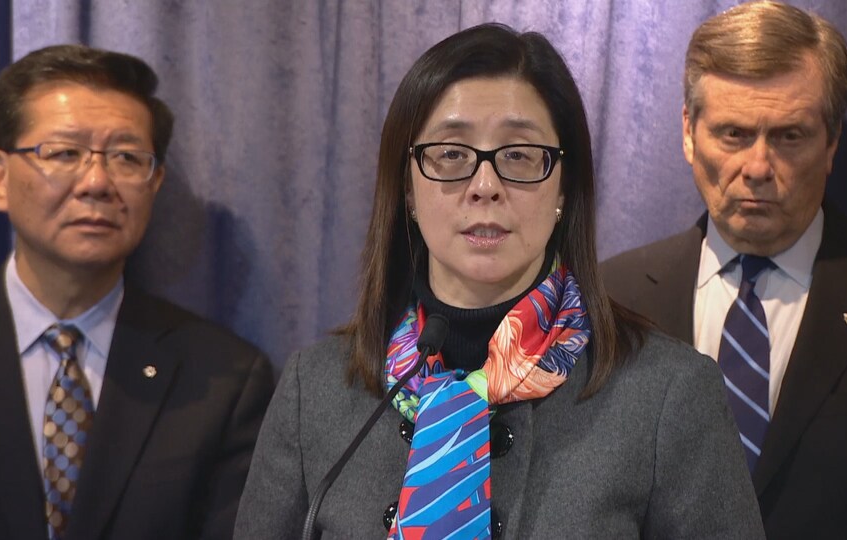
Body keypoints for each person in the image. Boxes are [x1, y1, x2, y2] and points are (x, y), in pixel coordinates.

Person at [235, 23, 763, 539]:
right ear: (408, 191)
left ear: (563, 188)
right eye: (450, 155)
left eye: (518, 155)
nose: (485, 185)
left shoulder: (667, 394)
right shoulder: (316, 388)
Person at [600, 2, 847, 538]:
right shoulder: (610, 297)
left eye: (789, 136)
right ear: (689, 132)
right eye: (733, 133)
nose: (758, 168)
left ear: (831, 142)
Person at [0, 44, 274, 540]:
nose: (97, 182)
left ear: (155, 182)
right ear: (0, 177)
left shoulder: (226, 380)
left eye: (125, 158)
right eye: (65, 153)